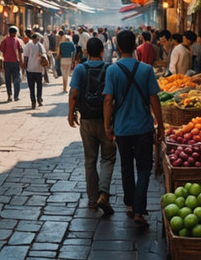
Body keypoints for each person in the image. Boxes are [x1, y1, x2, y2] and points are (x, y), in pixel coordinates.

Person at [103, 30, 164, 227]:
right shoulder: (146, 70)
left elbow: (108, 101)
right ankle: (139, 210)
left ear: (118, 47)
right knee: (144, 168)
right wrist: (160, 125)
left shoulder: (112, 70)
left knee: (126, 167)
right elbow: (154, 99)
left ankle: (130, 206)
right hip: (143, 128)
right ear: (135, 45)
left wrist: (107, 126)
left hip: (122, 129)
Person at [68, 37, 116, 215]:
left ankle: (92, 199)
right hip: (106, 121)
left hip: (87, 120)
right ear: (103, 51)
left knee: (90, 160)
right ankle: (104, 194)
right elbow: (111, 98)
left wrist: (71, 113)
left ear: (86, 51)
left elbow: (74, 94)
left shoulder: (80, 68)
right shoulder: (109, 69)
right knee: (108, 159)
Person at [23, 33, 48, 109]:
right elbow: (44, 56)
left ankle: (33, 101)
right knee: (39, 86)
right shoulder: (40, 45)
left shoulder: (28, 45)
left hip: (30, 69)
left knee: (31, 87)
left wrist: (25, 66)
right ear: (37, 38)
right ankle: (39, 99)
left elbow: (26, 57)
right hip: (38, 69)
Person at [0, 26, 24, 101]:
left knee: (8, 79)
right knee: (16, 79)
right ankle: (16, 95)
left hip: (7, 62)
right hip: (15, 62)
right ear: (15, 33)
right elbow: (20, 52)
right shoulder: (17, 41)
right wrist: (21, 62)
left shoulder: (5, 40)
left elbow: (1, 49)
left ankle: (9, 95)